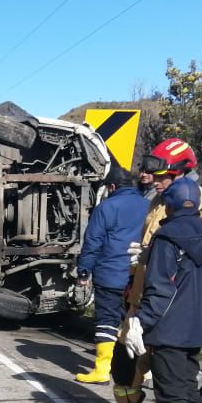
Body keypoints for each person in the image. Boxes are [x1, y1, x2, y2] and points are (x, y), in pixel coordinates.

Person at [94, 138, 202, 403]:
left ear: (179, 173)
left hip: (170, 306)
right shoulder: (157, 200)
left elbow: (197, 255)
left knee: (173, 377)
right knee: (124, 364)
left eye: (162, 175)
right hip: (142, 298)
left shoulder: (201, 203)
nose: (153, 179)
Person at [122, 176, 202, 403]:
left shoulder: (167, 238)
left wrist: (142, 321)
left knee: (171, 392)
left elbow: (162, 288)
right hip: (196, 324)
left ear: (169, 206)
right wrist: (151, 255)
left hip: (170, 327)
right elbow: (189, 268)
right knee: (189, 388)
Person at [72, 163, 151, 384]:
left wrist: (84, 271)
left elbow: (93, 242)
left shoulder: (107, 207)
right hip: (137, 277)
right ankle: (138, 372)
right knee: (133, 321)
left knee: (107, 319)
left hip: (110, 274)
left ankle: (102, 370)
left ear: (112, 186)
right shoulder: (149, 206)